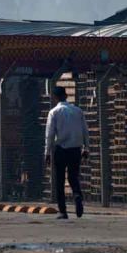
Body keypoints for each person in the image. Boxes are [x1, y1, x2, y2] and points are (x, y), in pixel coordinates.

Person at [44, 85, 89, 219]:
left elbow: (50, 134)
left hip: (61, 149)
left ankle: (63, 211)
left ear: (55, 97)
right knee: (73, 176)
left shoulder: (54, 112)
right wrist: (86, 148)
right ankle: (77, 195)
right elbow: (85, 131)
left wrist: (47, 153)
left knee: (59, 180)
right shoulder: (78, 111)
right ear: (66, 96)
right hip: (75, 149)